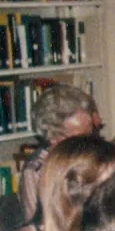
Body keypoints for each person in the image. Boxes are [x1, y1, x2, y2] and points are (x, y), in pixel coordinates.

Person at [20, 84, 101, 219]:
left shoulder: (95, 156)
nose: (89, 143)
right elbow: (36, 227)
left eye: (90, 132)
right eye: (80, 138)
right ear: (53, 138)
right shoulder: (36, 170)